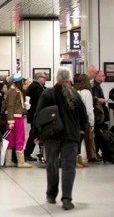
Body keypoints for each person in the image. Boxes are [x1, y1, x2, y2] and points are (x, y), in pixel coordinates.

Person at [33, 67, 88, 210]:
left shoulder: (47, 94)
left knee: (52, 165)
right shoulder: (74, 95)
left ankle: (51, 194)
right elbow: (83, 116)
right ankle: (67, 199)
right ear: (69, 79)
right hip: (70, 136)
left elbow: (38, 115)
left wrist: (36, 134)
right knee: (69, 167)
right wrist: (83, 130)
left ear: (57, 78)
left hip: (52, 136)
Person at [5, 74, 32, 168]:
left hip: (13, 118)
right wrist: (11, 121)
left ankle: (8, 161)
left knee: (11, 139)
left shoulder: (14, 90)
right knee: (20, 138)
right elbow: (10, 106)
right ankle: (20, 161)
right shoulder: (14, 91)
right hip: (15, 118)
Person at [24, 72, 47, 162]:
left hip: (36, 114)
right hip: (35, 114)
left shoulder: (39, 87)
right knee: (34, 133)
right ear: (39, 78)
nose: (45, 79)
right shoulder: (35, 87)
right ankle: (27, 152)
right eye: (44, 77)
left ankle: (31, 152)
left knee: (35, 133)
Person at [73, 74, 93, 168]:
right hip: (83, 120)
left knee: (77, 139)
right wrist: (92, 123)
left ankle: (78, 158)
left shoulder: (75, 91)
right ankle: (76, 159)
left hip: (74, 119)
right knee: (80, 139)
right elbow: (89, 109)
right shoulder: (87, 93)